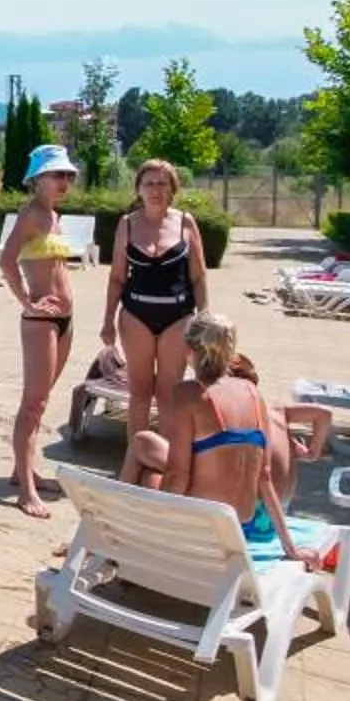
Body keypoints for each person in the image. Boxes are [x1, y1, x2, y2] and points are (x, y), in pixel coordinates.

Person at [161, 312, 312, 564]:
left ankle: (121, 556)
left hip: (200, 527)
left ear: (188, 348)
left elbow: (178, 477)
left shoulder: (189, 394)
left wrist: (156, 523)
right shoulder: (253, 394)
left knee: (150, 472)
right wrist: (291, 548)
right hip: (239, 529)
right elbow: (264, 480)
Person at [100, 158, 210, 471]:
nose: (155, 190)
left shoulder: (186, 222)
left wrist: (205, 319)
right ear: (138, 188)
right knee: (139, 391)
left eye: (162, 183)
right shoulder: (128, 224)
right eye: (149, 183)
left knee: (168, 393)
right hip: (135, 316)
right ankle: (134, 461)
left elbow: (199, 277)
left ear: (172, 189)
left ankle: (168, 462)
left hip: (178, 317)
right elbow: (117, 277)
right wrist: (107, 320)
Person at [0, 144, 81, 518]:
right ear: (37, 179)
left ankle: (24, 471)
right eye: (56, 174)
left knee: (43, 401)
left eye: (67, 175)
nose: (64, 181)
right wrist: (27, 302)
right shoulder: (31, 214)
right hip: (41, 322)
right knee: (32, 403)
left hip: (64, 321)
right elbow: (6, 258)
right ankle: (27, 491)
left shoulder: (53, 216)